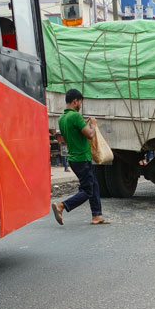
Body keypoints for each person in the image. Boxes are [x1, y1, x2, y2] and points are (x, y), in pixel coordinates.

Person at [52, 88, 108, 225]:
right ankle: (62, 206)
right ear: (75, 101)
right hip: (82, 158)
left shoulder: (62, 118)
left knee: (94, 185)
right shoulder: (75, 116)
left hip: (73, 159)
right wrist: (93, 125)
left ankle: (97, 215)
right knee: (88, 190)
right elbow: (90, 134)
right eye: (80, 102)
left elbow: (70, 136)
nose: (80, 105)